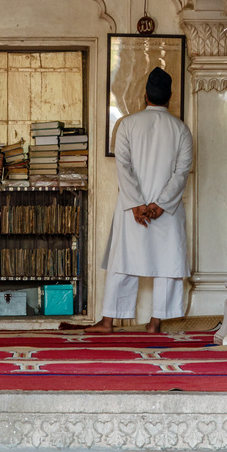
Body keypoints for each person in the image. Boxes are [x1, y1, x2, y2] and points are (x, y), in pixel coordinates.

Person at [93, 66, 193, 333]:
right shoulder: (181, 130)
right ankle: (155, 323)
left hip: (131, 209)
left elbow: (123, 167)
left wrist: (137, 204)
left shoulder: (127, 125)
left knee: (122, 261)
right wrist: (159, 205)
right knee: (167, 265)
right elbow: (181, 173)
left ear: (145, 95)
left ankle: (108, 322)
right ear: (169, 96)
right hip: (166, 211)